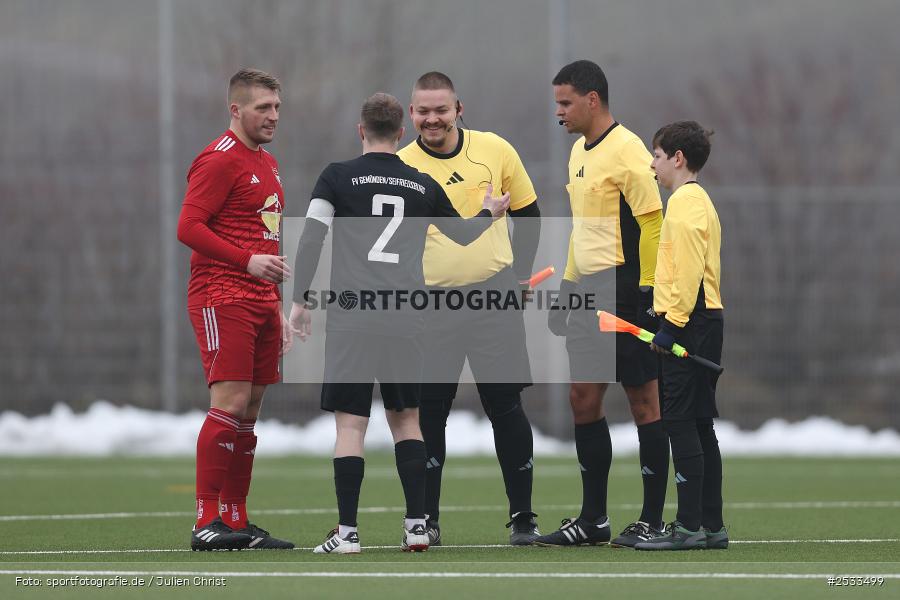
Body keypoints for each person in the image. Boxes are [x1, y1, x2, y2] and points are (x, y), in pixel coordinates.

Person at [288, 92, 510, 554]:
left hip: (353, 316)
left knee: (351, 426)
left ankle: (347, 533)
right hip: (408, 317)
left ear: (360, 130)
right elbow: (464, 236)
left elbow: (311, 238)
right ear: (402, 132)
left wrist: (300, 299)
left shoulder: (336, 177)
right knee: (408, 421)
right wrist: (490, 211)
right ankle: (416, 525)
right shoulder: (422, 183)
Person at [397, 72, 543, 546]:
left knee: (505, 406)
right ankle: (428, 519)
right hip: (431, 305)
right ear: (411, 113)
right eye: (422, 111)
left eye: (441, 109)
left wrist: (520, 275)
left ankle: (523, 518)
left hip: (492, 295)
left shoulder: (495, 150)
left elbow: (529, 214)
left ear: (460, 109)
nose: (432, 118)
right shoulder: (401, 166)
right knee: (430, 413)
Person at [533, 60, 669, 548]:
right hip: (589, 288)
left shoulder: (628, 150)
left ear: (593, 99)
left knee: (642, 400)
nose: (559, 112)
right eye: (557, 103)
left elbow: (653, 223)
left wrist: (650, 292)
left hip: (627, 288)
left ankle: (652, 519)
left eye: (565, 102)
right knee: (582, 399)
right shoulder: (577, 152)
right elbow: (582, 230)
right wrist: (568, 289)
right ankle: (594, 521)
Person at [177, 68, 294, 551]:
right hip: (220, 294)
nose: (272, 116)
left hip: (260, 301)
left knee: (249, 410)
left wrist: (278, 308)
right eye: (262, 108)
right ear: (235, 109)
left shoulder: (266, 162)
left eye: (277, 108)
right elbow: (188, 226)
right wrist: (247, 262)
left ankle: (235, 517)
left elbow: (263, 236)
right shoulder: (218, 159)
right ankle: (206, 520)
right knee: (228, 403)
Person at [635, 121, 727, 550]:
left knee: (679, 421)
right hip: (700, 320)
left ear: (677, 158)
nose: (652, 165)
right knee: (699, 423)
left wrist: (670, 325)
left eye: (656, 155)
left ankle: (689, 527)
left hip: (691, 324)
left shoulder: (686, 204)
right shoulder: (692, 201)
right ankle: (711, 526)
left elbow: (688, 273)